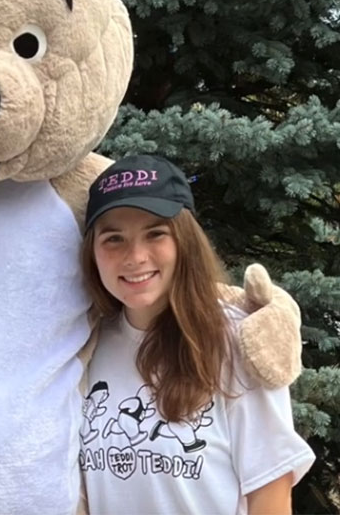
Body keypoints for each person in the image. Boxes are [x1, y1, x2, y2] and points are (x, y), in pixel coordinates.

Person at [78, 155, 314, 514]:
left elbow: (270, 491)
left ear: (184, 241)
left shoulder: (238, 339)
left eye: (155, 233)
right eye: (113, 239)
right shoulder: (88, 345)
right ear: (92, 252)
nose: (135, 256)